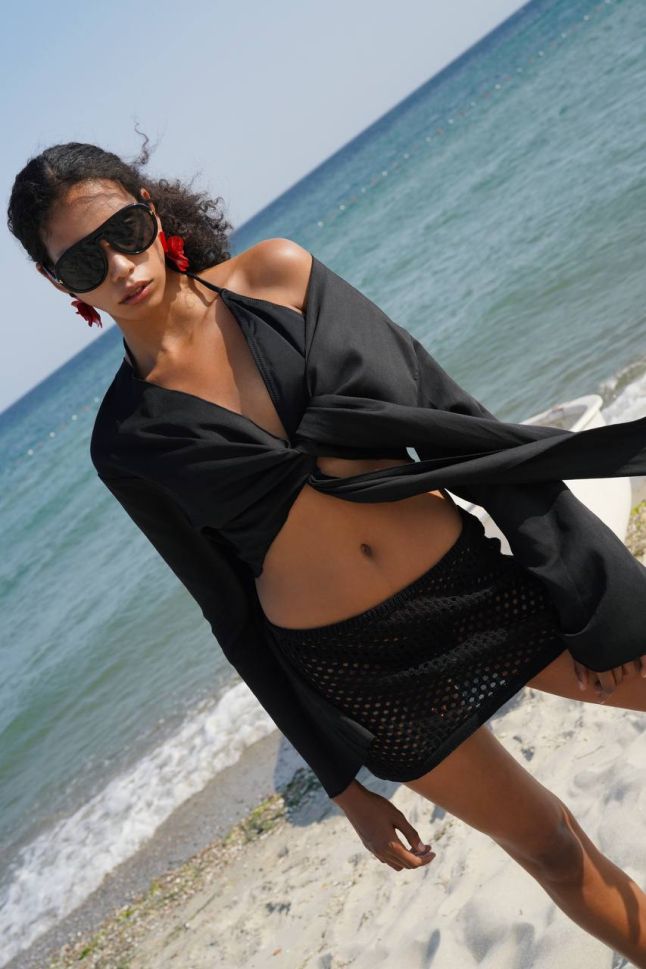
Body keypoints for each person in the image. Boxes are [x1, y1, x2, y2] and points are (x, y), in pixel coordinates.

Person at [7, 137, 646, 962]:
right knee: (550, 846)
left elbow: (455, 419)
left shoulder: (280, 278)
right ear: (56, 282)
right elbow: (230, 612)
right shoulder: (124, 442)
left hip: (473, 589)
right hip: (365, 672)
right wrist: (343, 786)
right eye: (83, 262)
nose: (120, 266)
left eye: (124, 231)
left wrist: (595, 593)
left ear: (150, 208)